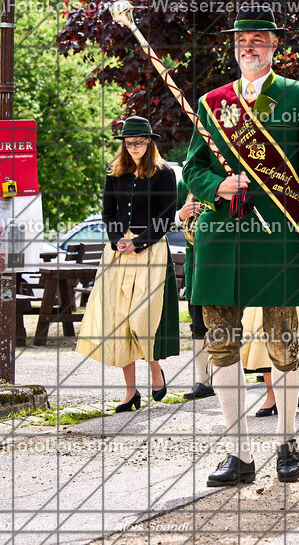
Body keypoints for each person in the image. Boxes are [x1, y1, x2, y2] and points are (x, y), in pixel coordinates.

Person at [183, 3, 299, 486]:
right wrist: (215, 187)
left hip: (279, 237)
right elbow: (192, 167)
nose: (248, 47)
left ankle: (287, 442)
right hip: (221, 238)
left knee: (285, 343)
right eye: (241, 41)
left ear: (273, 47)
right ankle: (238, 454)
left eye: (258, 41)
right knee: (221, 343)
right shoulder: (211, 103)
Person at [76, 116, 180, 412]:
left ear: (150, 142)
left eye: (140, 142)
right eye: (130, 142)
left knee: (142, 317)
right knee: (119, 321)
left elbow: (166, 215)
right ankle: (130, 391)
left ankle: (155, 368)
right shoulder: (115, 171)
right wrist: (117, 238)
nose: (134, 147)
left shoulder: (164, 173)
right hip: (119, 252)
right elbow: (108, 211)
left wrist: (139, 241)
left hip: (150, 252)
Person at [176, 174, 214, 401]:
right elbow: (173, 221)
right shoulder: (185, 182)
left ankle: (225, 376)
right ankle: (203, 381)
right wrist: (182, 215)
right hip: (195, 257)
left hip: (222, 257)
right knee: (197, 323)